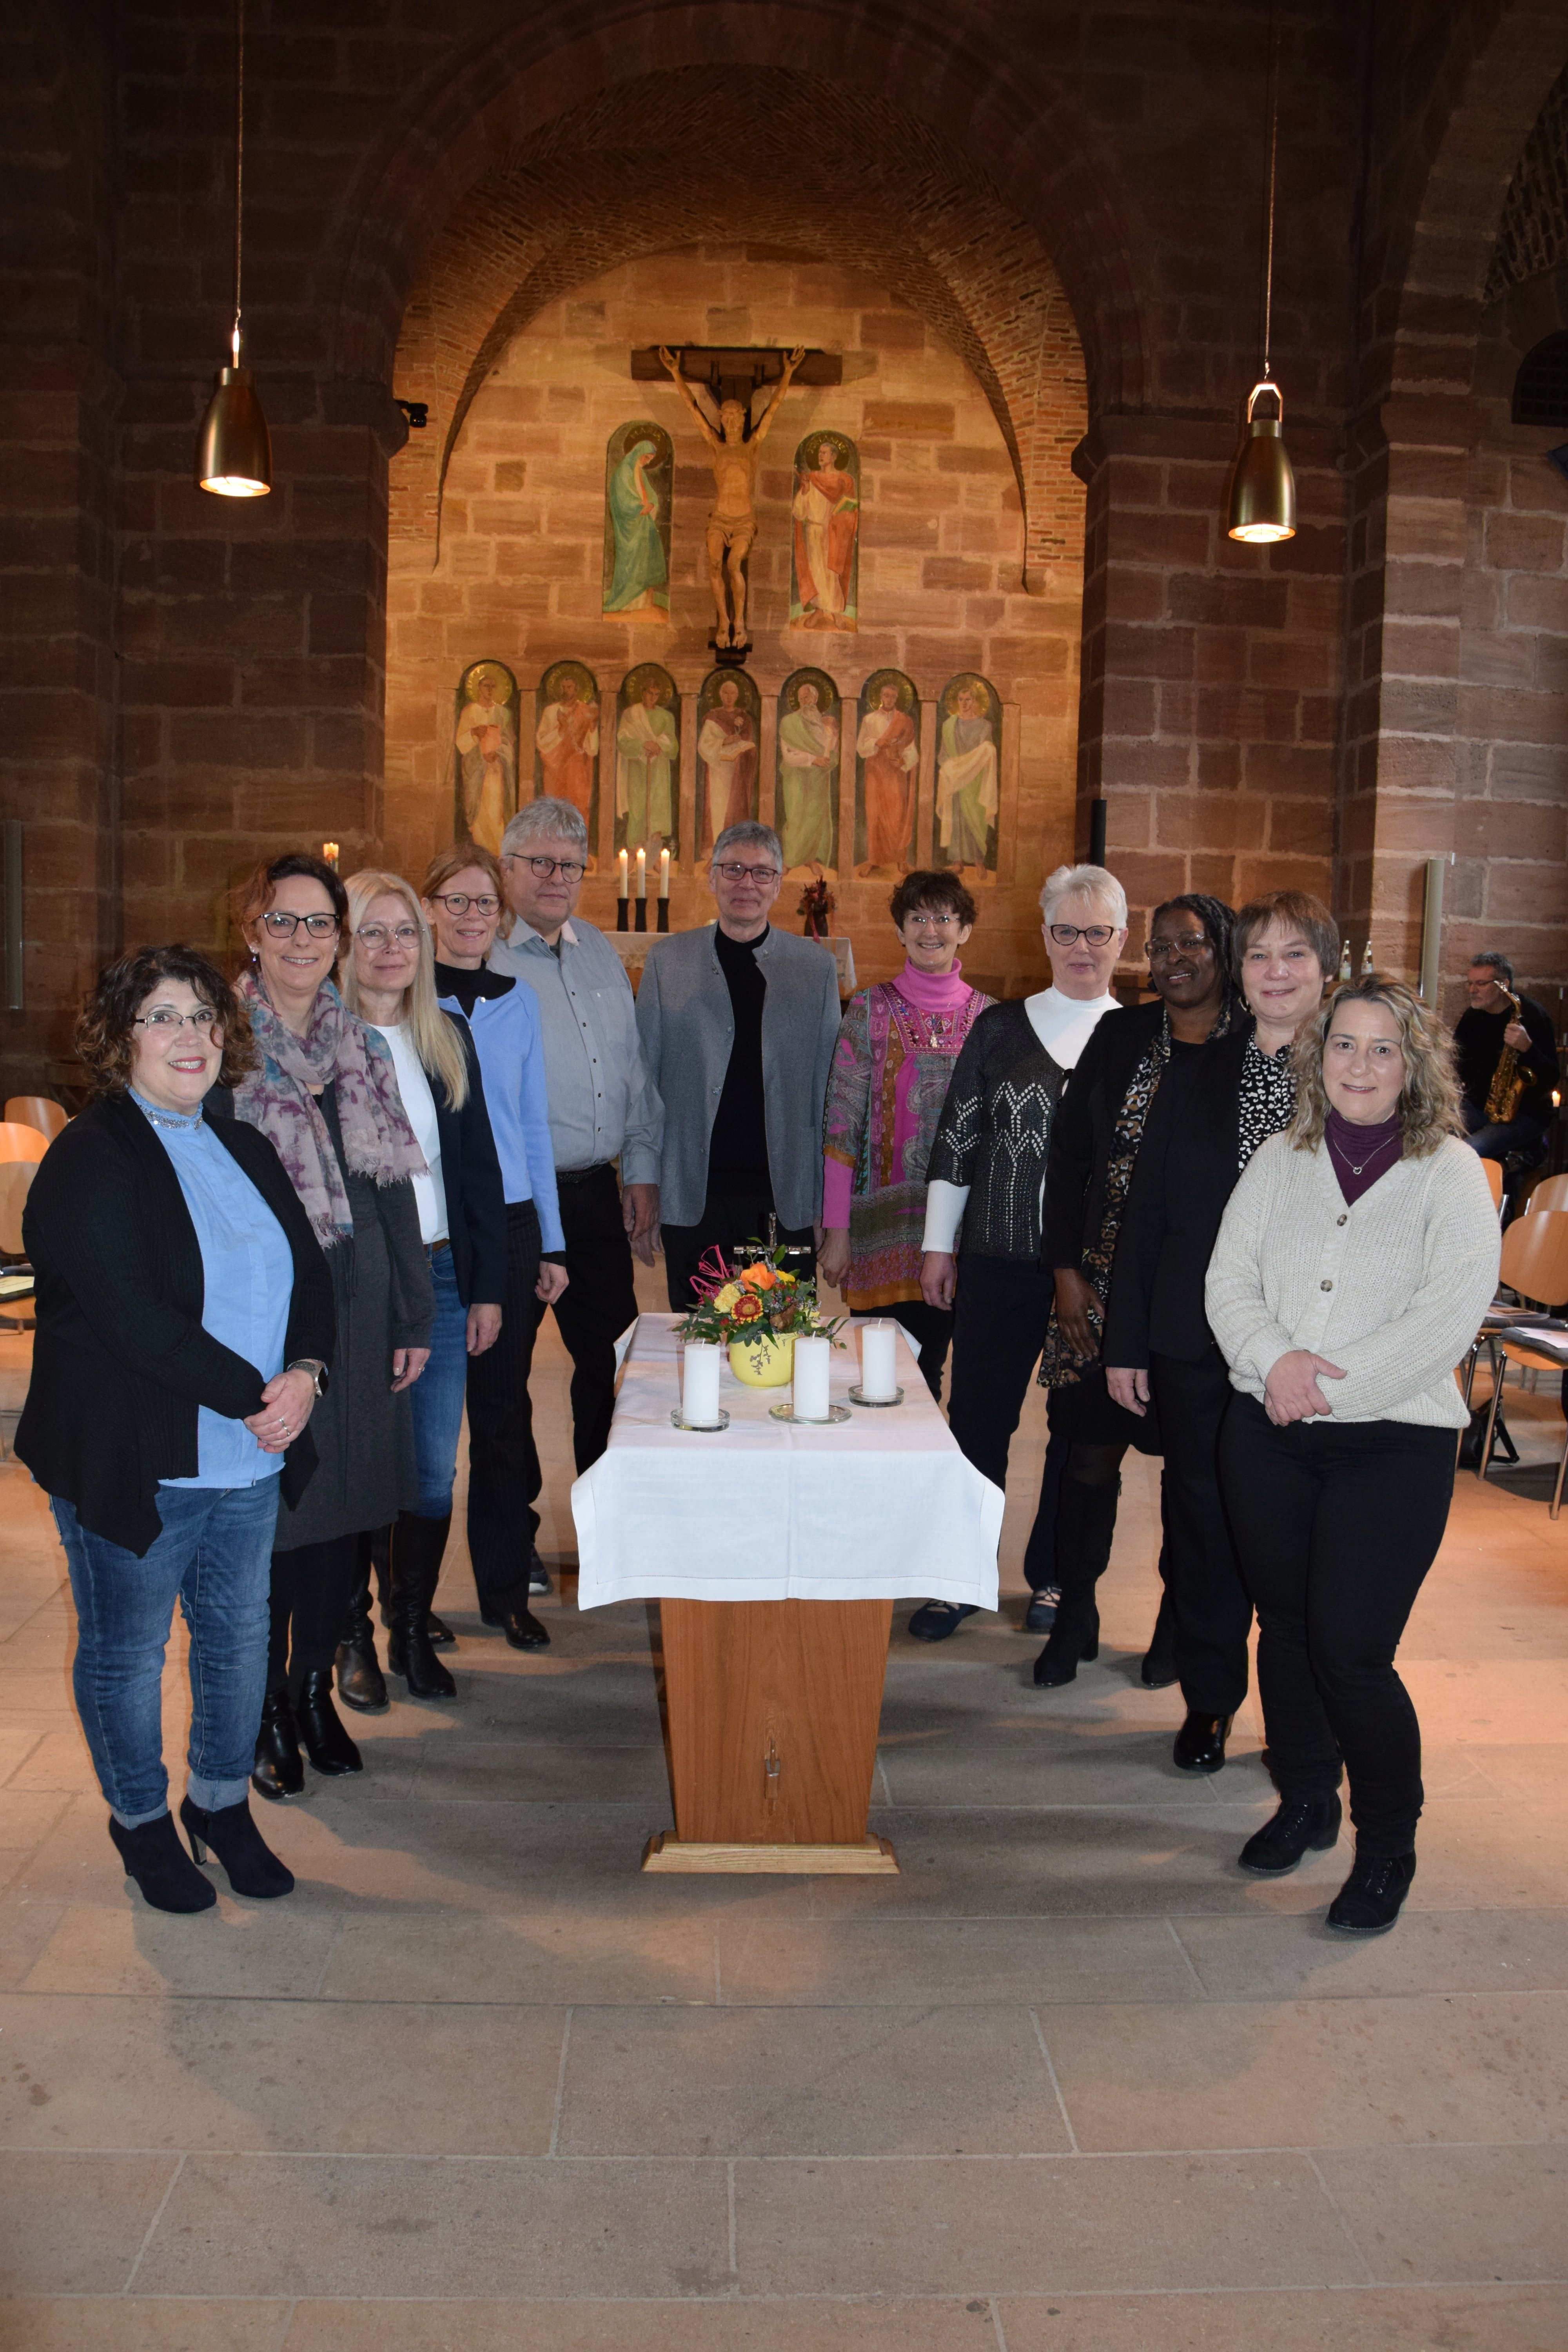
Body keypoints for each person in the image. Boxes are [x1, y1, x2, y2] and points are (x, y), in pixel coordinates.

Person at [18, 946, 333, 1912]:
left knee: (237, 1642)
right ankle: (141, 1822)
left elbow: (310, 1275)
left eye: (201, 1015)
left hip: (246, 1453)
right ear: (120, 1039)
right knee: (128, 1652)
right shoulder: (91, 1156)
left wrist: (308, 1375)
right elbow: (133, 1317)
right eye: (161, 1017)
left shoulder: (243, 1144)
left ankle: (220, 1805)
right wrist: (259, 1396)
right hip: (139, 1454)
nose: (189, 1035)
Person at [1206, 975, 1499, 1935]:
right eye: (1343, 1045)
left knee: (1351, 1653)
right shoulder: (1278, 1158)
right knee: (1286, 1631)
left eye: (1382, 1048)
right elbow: (1228, 1280)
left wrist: (1318, 1384)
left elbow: (1445, 1320)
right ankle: (1304, 1798)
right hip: (1269, 1437)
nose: (1360, 1065)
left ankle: (1386, 1846)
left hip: (1391, 1445)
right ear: (1316, 1055)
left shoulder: (1449, 1172)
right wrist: (1272, 1362)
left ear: (1415, 1064)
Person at [1105, 889, 1335, 1774]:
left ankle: (1302, 1721)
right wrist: (1128, 1341)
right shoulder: (1200, 1069)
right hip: (1196, 1339)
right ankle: (1209, 1702)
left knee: (1302, 1541)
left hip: (1312, 1346)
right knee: (1202, 1527)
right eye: (1259, 956)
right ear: (1239, 971)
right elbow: (1147, 1211)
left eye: (1294, 955)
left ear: (1325, 968)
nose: (1275, 974)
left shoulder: (1355, 1072)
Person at [226, 854, 432, 1800]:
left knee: (344, 1517)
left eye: (319, 924)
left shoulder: (360, 1047)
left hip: (361, 1304)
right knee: (281, 1519)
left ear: (337, 940)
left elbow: (393, 1189)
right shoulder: (224, 1044)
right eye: (284, 921)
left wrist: (412, 1313)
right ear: (252, 933)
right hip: (270, 1315)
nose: (302, 939)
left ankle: (315, 1691)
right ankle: (265, 1706)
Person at [906, 862, 1127, 1642]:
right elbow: (957, 1139)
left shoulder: (1138, 1040)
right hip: (998, 1259)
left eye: (1096, 932)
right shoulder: (1000, 1028)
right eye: (1066, 931)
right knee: (977, 1419)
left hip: (1094, 1279)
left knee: (1077, 1433)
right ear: (1045, 935)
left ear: (1120, 940)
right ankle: (959, 1578)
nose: (1081, 947)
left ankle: (1057, 1579)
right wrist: (938, 1247)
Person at [1033, 893, 1241, 1690]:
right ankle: (1075, 1610)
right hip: (1099, 1287)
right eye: (1160, 947)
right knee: (1085, 1457)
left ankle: (1176, 1619)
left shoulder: (1252, 1050)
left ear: (1224, 950)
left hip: (1202, 1301)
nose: (1173, 960)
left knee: (1192, 1478)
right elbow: (1068, 1157)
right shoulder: (1121, 1036)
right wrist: (1064, 1272)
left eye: (1191, 944)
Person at [334, 869, 508, 1705]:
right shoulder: (323, 1043)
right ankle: (350, 1635)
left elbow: (478, 1171)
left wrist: (486, 1287)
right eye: (372, 931)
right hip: (357, 1285)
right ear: (345, 943)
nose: (391, 948)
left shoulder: (445, 1036)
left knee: (434, 1473)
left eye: (405, 931)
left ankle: (409, 1628)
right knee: (359, 1466)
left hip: (440, 1275)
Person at [490, 799, 662, 1548]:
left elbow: (632, 1071)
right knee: (505, 1378)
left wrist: (641, 1169)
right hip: (514, 1202)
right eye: (540, 862)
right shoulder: (483, 956)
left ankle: (606, 1524)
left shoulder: (597, 949)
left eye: (570, 865)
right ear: (506, 869)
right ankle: (514, 1535)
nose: (557, 877)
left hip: (593, 1196)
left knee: (612, 1365)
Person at [426, 844, 568, 1644]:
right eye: (456, 901)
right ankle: (409, 1603)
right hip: (433, 1230)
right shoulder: (404, 1001)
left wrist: (552, 1242)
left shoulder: (518, 1002)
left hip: (510, 1226)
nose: (472, 916)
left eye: (485, 903)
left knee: (502, 1412)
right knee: (421, 1428)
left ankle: (505, 1591)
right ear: (429, 910)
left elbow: (532, 1126)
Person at [637, 820, 842, 1308]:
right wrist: (641, 1178)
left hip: (782, 1197)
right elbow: (642, 1083)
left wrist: (827, 1206)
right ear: (712, 877)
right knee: (698, 1336)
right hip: (694, 1193)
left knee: (780, 1340)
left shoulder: (814, 968)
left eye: (761, 872)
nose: (746, 883)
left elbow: (828, 1092)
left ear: (778, 883)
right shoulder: (667, 961)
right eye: (733, 870)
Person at [819, 872, 990, 1401]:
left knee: (928, 1374)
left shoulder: (991, 1019)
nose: (930, 930)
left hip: (958, 1236)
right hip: (878, 1234)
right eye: (917, 918)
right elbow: (841, 1126)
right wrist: (837, 1231)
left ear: (964, 930)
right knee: (875, 1376)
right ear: (900, 930)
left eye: (944, 918)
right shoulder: (868, 1009)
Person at [1454, 951, 1558, 1167]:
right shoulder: (1473, 1016)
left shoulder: (1532, 1016)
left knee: (1470, 1151)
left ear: (1504, 985)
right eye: (1470, 983)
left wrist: (1527, 1048)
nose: (1473, 990)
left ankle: (1529, 1152)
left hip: (1525, 1115)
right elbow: (1457, 1064)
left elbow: (1551, 1078)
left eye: (1481, 983)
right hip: (1481, 1108)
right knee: (1430, 1136)